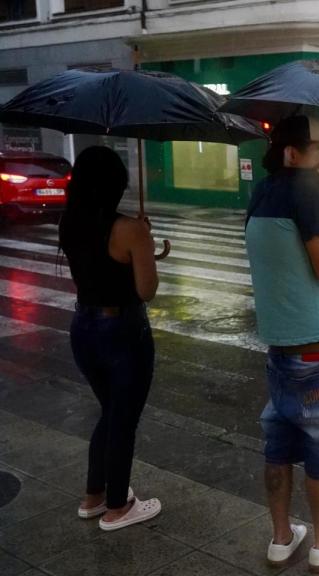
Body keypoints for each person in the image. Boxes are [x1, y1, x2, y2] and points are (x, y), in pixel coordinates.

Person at [245, 115, 319, 572]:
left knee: (279, 445)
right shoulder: (304, 191)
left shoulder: (263, 192)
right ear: (291, 154)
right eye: (316, 155)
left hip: (281, 349)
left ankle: (280, 539)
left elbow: (286, 249)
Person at [59, 146, 162, 531]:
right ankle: (118, 506)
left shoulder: (69, 223)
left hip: (83, 328)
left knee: (110, 413)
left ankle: (94, 495)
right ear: (117, 184)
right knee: (123, 419)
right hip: (123, 332)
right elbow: (146, 289)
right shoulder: (129, 229)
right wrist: (145, 243)